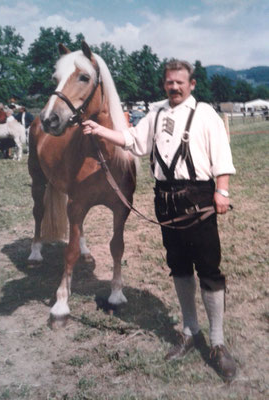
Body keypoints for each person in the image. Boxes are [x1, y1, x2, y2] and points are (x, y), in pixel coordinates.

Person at [82, 59, 237, 381]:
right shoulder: (154, 114)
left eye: (180, 82)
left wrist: (222, 192)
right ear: (164, 84)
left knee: (208, 270)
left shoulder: (206, 114)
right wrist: (100, 130)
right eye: (169, 82)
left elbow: (222, 156)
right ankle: (190, 330)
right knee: (178, 267)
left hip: (198, 198)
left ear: (191, 85)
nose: (174, 87)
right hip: (164, 200)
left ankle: (218, 343)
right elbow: (132, 142)